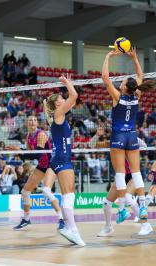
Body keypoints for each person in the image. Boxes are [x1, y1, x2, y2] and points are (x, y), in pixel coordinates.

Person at [102, 47, 156, 224]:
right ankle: (142, 207)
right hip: (132, 136)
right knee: (136, 172)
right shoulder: (136, 96)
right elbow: (140, 77)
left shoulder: (117, 96)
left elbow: (104, 78)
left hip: (118, 136)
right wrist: (134, 59)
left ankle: (122, 210)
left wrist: (108, 56)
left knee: (119, 173)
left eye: (123, 80)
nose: (121, 80)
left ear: (125, 86)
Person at [42, 76, 85, 246]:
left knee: (67, 194)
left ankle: (68, 226)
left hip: (60, 157)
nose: (63, 98)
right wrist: (67, 82)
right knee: (69, 195)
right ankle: (72, 230)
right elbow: (73, 96)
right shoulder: (59, 113)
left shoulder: (59, 113)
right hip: (62, 157)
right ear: (58, 104)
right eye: (61, 98)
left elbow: (72, 100)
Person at [13, 116, 64, 230]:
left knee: (46, 190)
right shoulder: (28, 136)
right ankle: (26, 219)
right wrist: (19, 154)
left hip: (51, 163)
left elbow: (37, 155)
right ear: (27, 123)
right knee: (25, 192)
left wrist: (19, 152)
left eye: (35, 120)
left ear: (37, 123)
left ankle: (61, 219)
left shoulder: (41, 134)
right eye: (30, 120)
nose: (32, 122)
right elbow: (29, 155)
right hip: (42, 165)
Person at [97, 138, 150, 237]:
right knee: (106, 204)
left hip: (133, 175)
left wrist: (136, 140)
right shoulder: (113, 141)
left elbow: (145, 146)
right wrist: (97, 135)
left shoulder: (131, 139)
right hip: (121, 176)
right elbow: (94, 145)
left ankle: (146, 225)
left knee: (128, 197)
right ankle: (108, 227)